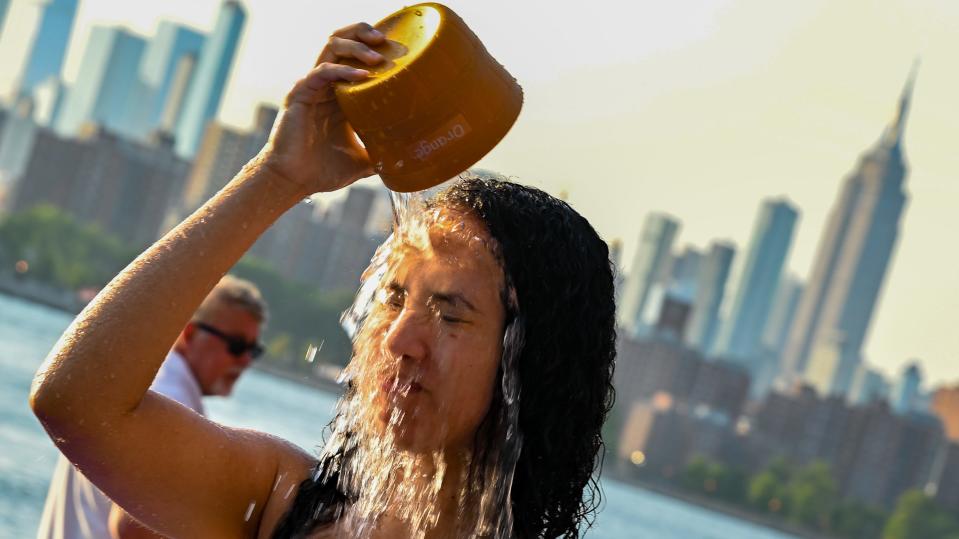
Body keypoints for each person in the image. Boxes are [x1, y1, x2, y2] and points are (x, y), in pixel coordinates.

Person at [30, 21, 616, 539]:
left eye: (450, 313)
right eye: (392, 297)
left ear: (534, 362)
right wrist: (278, 176)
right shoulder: (278, 503)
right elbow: (77, 403)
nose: (397, 340)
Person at [35, 275, 267, 539]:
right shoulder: (170, 401)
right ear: (190, 334)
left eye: (253, 350)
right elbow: (133, 528)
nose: (246, 360)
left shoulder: (137, 382)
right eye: (236, 346)